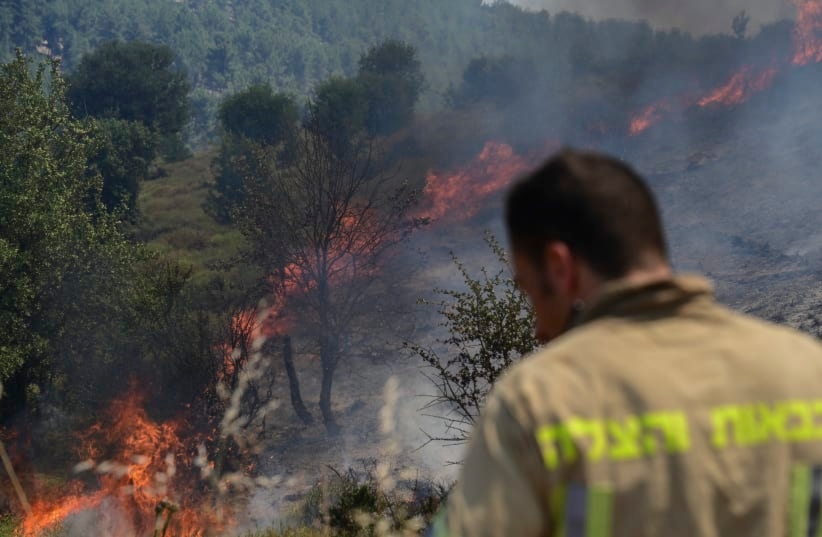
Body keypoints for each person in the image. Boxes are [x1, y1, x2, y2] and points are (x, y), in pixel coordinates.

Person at [427, 148, 822, 537]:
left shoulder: (539, 401)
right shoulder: (806, 369)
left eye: (529, 292)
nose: (538, 330)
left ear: (560, 267)